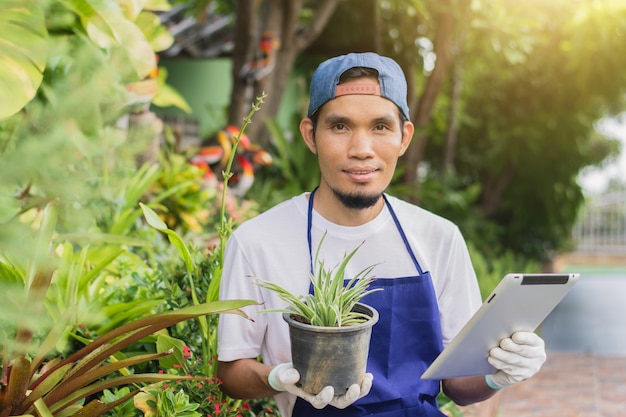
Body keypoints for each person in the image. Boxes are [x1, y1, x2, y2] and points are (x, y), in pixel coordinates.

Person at [217, 52, 546, 416]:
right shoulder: (257, 242)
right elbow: (232, 373)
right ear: (311, 136)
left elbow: (456, 385)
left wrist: (497, 374)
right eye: (340, 127)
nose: (361, 150)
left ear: (404, 138)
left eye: (380, 127)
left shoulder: (439, 238)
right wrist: (279, 377)